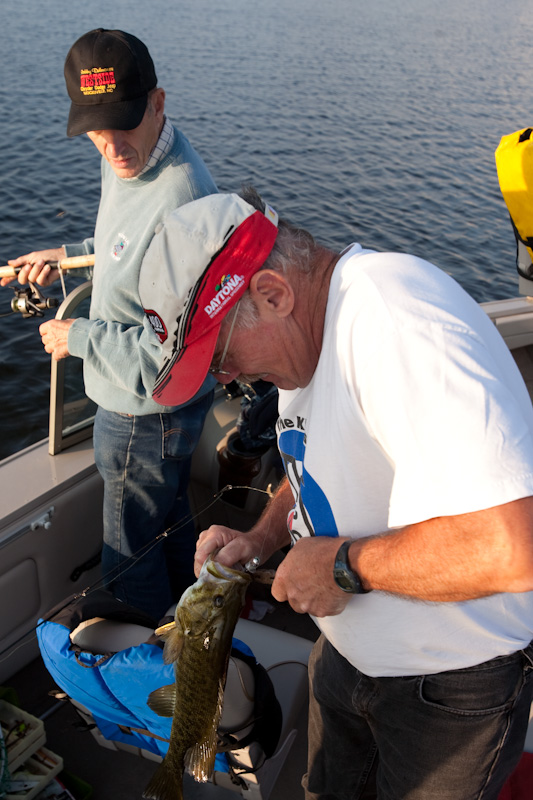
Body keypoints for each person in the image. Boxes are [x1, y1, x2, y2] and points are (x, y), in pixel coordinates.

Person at [137, 187, 533, 799]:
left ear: (273, 293)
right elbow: (312, 459)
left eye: (220, 357)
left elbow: (516, 548)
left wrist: (342, 567)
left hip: (448, 687)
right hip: (347, 656)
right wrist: (260, 539)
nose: (225, 378)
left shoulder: (396, 322)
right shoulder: (304, 339)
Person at [1, 29, 218, 620]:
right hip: (156, 410)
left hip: (144, 415)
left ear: (158, 103)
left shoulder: (182, 200)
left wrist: (76, 337)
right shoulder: (130, 159)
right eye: (96, 130)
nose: (112, 147)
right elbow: (126, 248)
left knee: (127, 557)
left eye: (123, 124)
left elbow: (166, 356)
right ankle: (184, 636)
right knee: (168, 526)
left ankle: (143, 659)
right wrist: (65, 256)